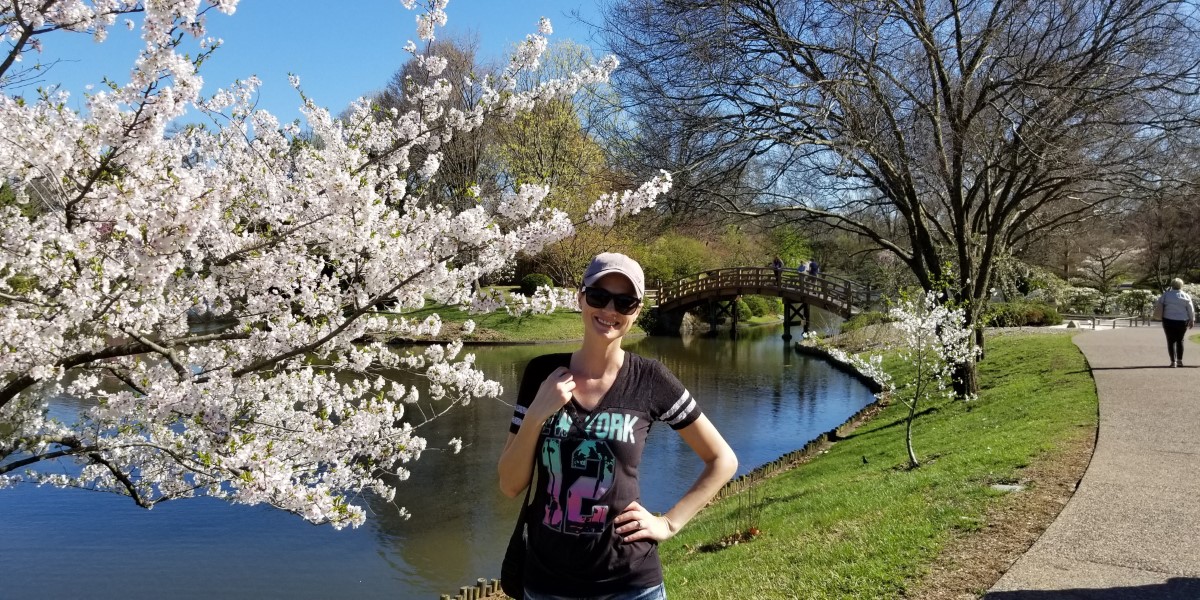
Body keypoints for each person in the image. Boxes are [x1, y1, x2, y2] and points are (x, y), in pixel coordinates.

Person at [498, 252, 738, 600]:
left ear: (637, 312)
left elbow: (722, 460)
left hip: (629, 584)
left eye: (625, 302)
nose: (610, 310)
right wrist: (537, 413)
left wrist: (669, 523)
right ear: (581, 298)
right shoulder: (541, 374)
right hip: (547, 583)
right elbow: (509, 485)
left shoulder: (651, 379)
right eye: (599, 296)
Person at [1154, 278, 1195, 367]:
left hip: (1168, 319)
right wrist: (1192, 320)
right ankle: (1180, 360)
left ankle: (1173, 361)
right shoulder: (1185, 295)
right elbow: (1190, 309)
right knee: (1180, 340)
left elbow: (1158, 303)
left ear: (1172, 285)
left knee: (1170, 340)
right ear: (1181, 285)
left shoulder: (1166, 295)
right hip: (1182, 320)